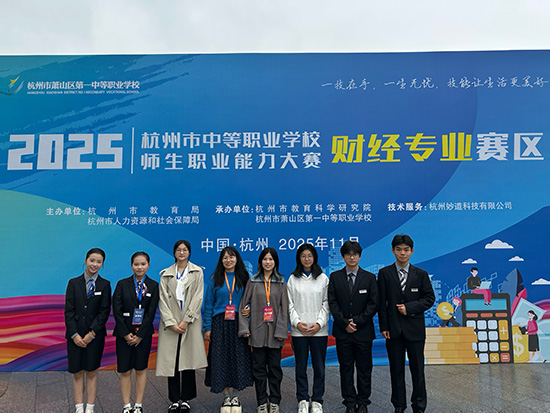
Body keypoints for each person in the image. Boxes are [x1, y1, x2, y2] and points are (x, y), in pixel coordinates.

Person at [378, 235, 435, 413]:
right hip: (393, 330)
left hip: (415, 330)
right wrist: (384, 327)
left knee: (418, 369)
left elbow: (429, 298)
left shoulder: (421, 274)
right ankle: (399, 405)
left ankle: (419, 405)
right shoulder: (385, 273)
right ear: (393, 251)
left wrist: (409, 308)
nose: (402, 253)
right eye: (399, 249)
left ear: (412, 251)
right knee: (396, 370)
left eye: (406, 250)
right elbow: (381, 302)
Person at [156, 240, 207, 413]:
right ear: (174, 252)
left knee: (187, 361)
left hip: (189, 323)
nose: (182, 252)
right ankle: (173, 400)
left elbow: (198, 297)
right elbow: (162, 300)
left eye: (185, 250)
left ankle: (185, 399)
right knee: (173, 362)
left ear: (189, 252)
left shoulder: (197, 272)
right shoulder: (166, 274)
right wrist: (171, 322)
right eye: (178, 249)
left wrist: (186, 320)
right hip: (170, 324)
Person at [327, 240, 378, 413]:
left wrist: (357, 321)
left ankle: (363, 402)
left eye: (355, 254)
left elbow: (373, 303)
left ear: (359, 256)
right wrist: (344, 323)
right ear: (343, 257)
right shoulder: (335, 277)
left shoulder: (369, 278)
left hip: (363, 331)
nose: (352, 257)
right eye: (348, 254)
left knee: (364, 369)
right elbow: (332, 302)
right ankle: (349, 402)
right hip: (343, 332)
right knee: (346, 368)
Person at [203, 246, 253, 413]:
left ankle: (236, 396)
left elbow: (251, 299)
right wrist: (207, 328)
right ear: (221, 260)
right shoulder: (215, 278)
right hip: (220, 323)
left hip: (239, 323)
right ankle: (226, 397)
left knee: (238, 359)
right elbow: (209, 304)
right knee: (220, 360)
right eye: (225, 257)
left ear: (237, 259)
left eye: (231, 257)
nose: (228, 260)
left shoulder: (244, 277)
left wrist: (249, 308)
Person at [238, 247, 289, 413]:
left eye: (271, 259)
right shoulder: (253, 281)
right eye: (265, 259)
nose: (268, 262)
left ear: (275, 262)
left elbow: (284, 309)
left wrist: (281, 332)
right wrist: (245, 328)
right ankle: (261, 401)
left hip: (275, 334)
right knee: (259, 370)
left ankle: (274, 401)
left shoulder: (280, 282)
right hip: (257, 333)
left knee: (275, 370)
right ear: (260, 261)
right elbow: (243, 306)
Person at [64, 248, 111, 413]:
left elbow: (104, 312)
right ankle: (79, 407)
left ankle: (90, 407)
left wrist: (92, 334)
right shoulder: (73, 283)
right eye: (92, 260)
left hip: (95, 337)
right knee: (77, 372)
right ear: (85, 261)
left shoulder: (105, 285)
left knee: (92, 371)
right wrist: (74, 335)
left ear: (102, 264)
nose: (94, 264)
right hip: (75, 336)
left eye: (99, 262)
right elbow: (69, 312)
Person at [112, 251, 160, 413]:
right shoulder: (122, 284)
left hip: (143, 336)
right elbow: (117, 311)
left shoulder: (153, 285)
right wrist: (126, 334)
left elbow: (151, 313)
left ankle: (138, 405)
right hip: (123, 334)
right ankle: (126, 406)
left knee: (141, 369)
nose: (140, 267)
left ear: (148, 265)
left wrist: (140, 335)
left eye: (143, 264)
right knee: (125, 370)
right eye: (136, 264)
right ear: (131, 265)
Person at [287, 243, 330, 413]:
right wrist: (297, 323)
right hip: (299, 332)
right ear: (299, 258)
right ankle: (303, 399)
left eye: (310, 256)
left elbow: (327, 303)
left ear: (315, 258)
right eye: (303, 256)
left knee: (319, 367)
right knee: (301, 367)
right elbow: (289, 304)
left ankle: (317, 400)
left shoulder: (323, 278)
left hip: (319, 331)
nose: (307, 259)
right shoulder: (293, 279)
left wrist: (319, 323)